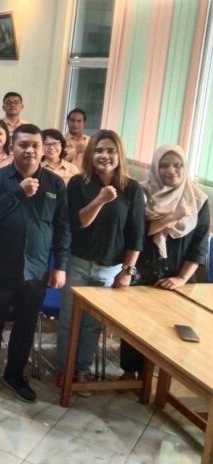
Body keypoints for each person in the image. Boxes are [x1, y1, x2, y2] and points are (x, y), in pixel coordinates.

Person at [0, 124, 71, 402]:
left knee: (25, 326)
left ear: (43, 149)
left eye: (35, 145)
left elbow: (63, 227)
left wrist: (60, 265)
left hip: (36, 270)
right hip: (0, 266)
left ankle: (15, 374)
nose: (30, 150)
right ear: (12, 147)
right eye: (23, 145)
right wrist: (18, 192)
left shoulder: (55, 184)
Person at [56, 130, 145, 394]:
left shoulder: (132, 188)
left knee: (92, 324)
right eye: (98, 150)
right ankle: (64, 368)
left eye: (110, 151)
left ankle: (81, 370)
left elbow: (136, 234)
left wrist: (127, 271)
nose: (104, 156)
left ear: (119, 155)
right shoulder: (78, 183)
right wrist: (101, 199)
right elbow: (79, 222)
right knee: (69, 320)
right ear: (90, 154)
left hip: (110, 268)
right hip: (78, 263)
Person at [119, 144, 210, 379]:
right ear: (155, 167)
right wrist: (128, 269)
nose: (171, 171)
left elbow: (199, 244)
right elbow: (135, 233)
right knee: (134, 323)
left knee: (168, 329)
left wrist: (182, 278)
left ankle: (153, 376)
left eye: (178, 165)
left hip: (177, 274)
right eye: (164, 165)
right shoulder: (141, 193)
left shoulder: (198, 200)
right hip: (141, 269)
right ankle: (129, 372)